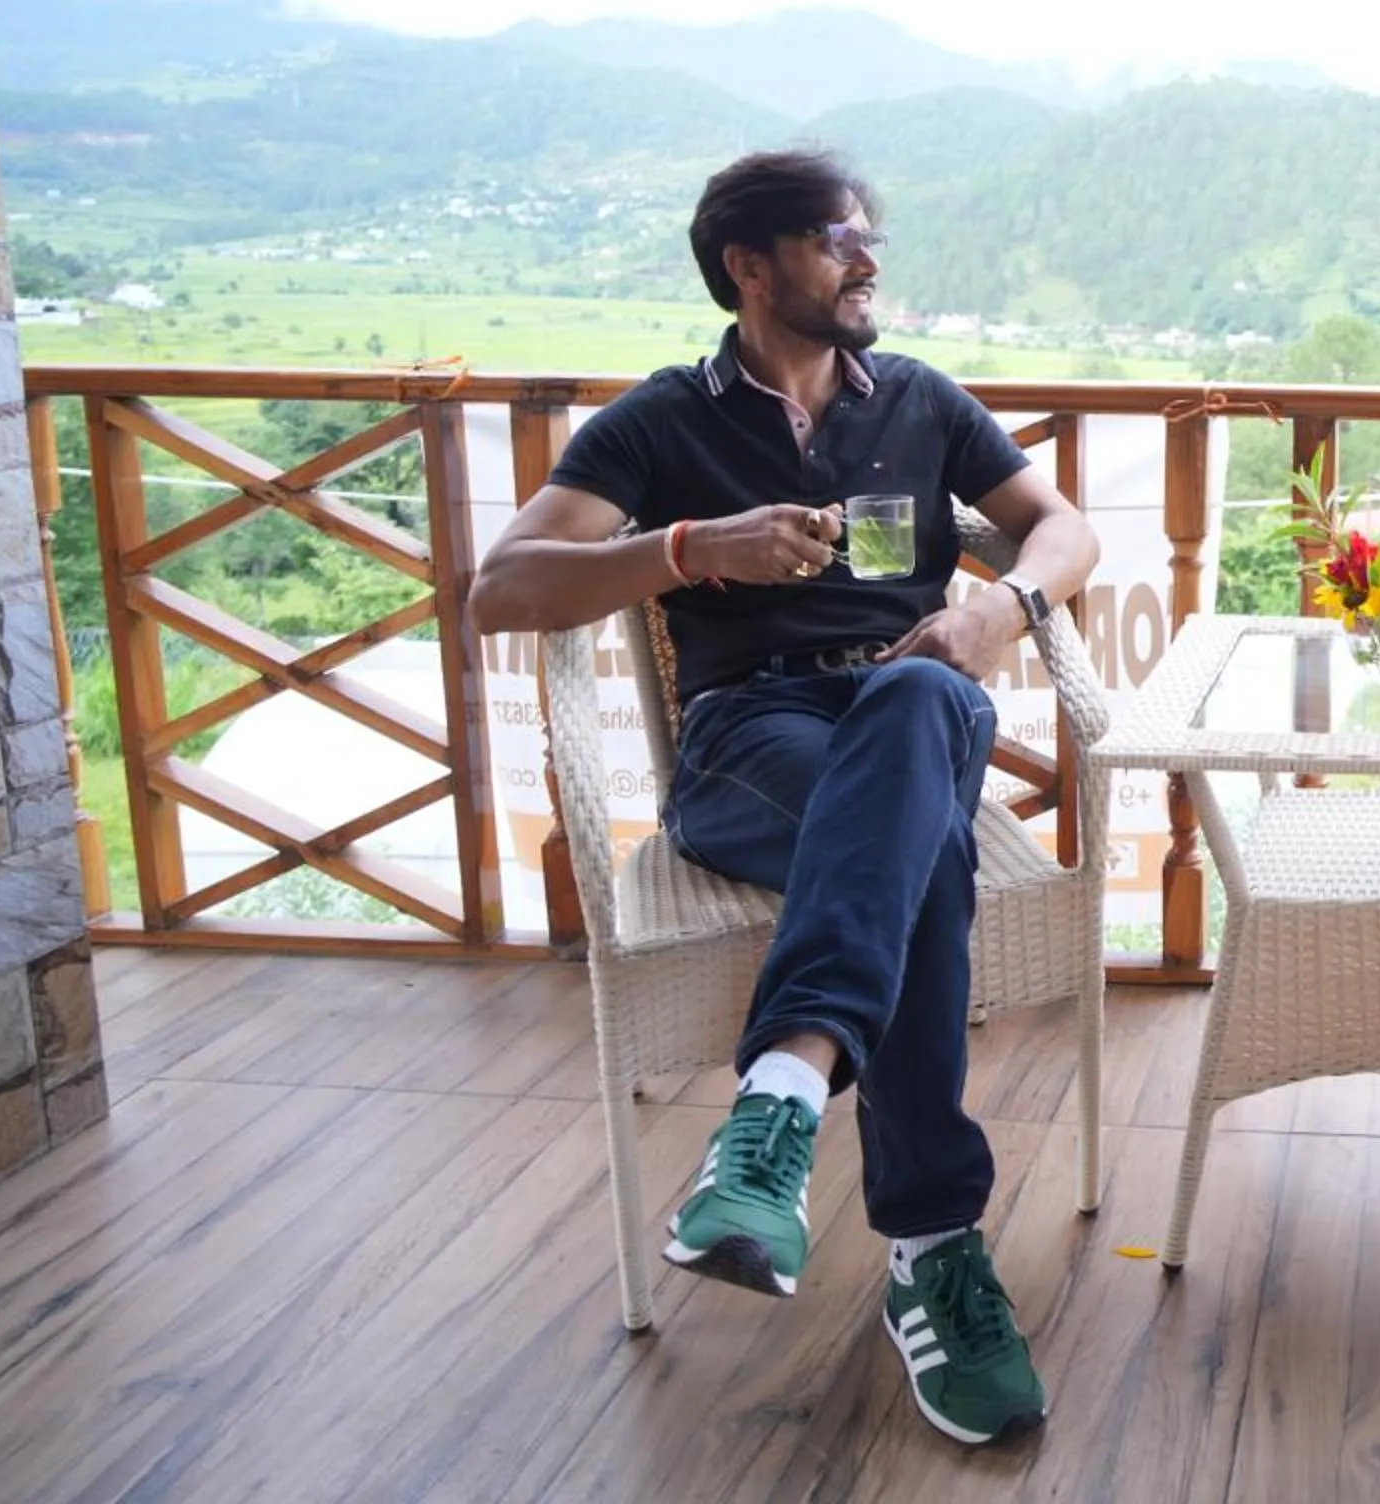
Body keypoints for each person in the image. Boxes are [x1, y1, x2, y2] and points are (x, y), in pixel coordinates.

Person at [466, 148, 1098, 1448]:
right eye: (834, 240)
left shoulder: (921, 399)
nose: (868, 262)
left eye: (869, 238)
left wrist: (1000, 610)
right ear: (746, 267)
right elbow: (503, 588)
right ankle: (932, 1247)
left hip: (908, 712)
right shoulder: (660, 421)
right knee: (924, 864)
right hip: (750, 737)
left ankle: (774, 1116)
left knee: (926, 704)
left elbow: (1064, 529)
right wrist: (692, 548)